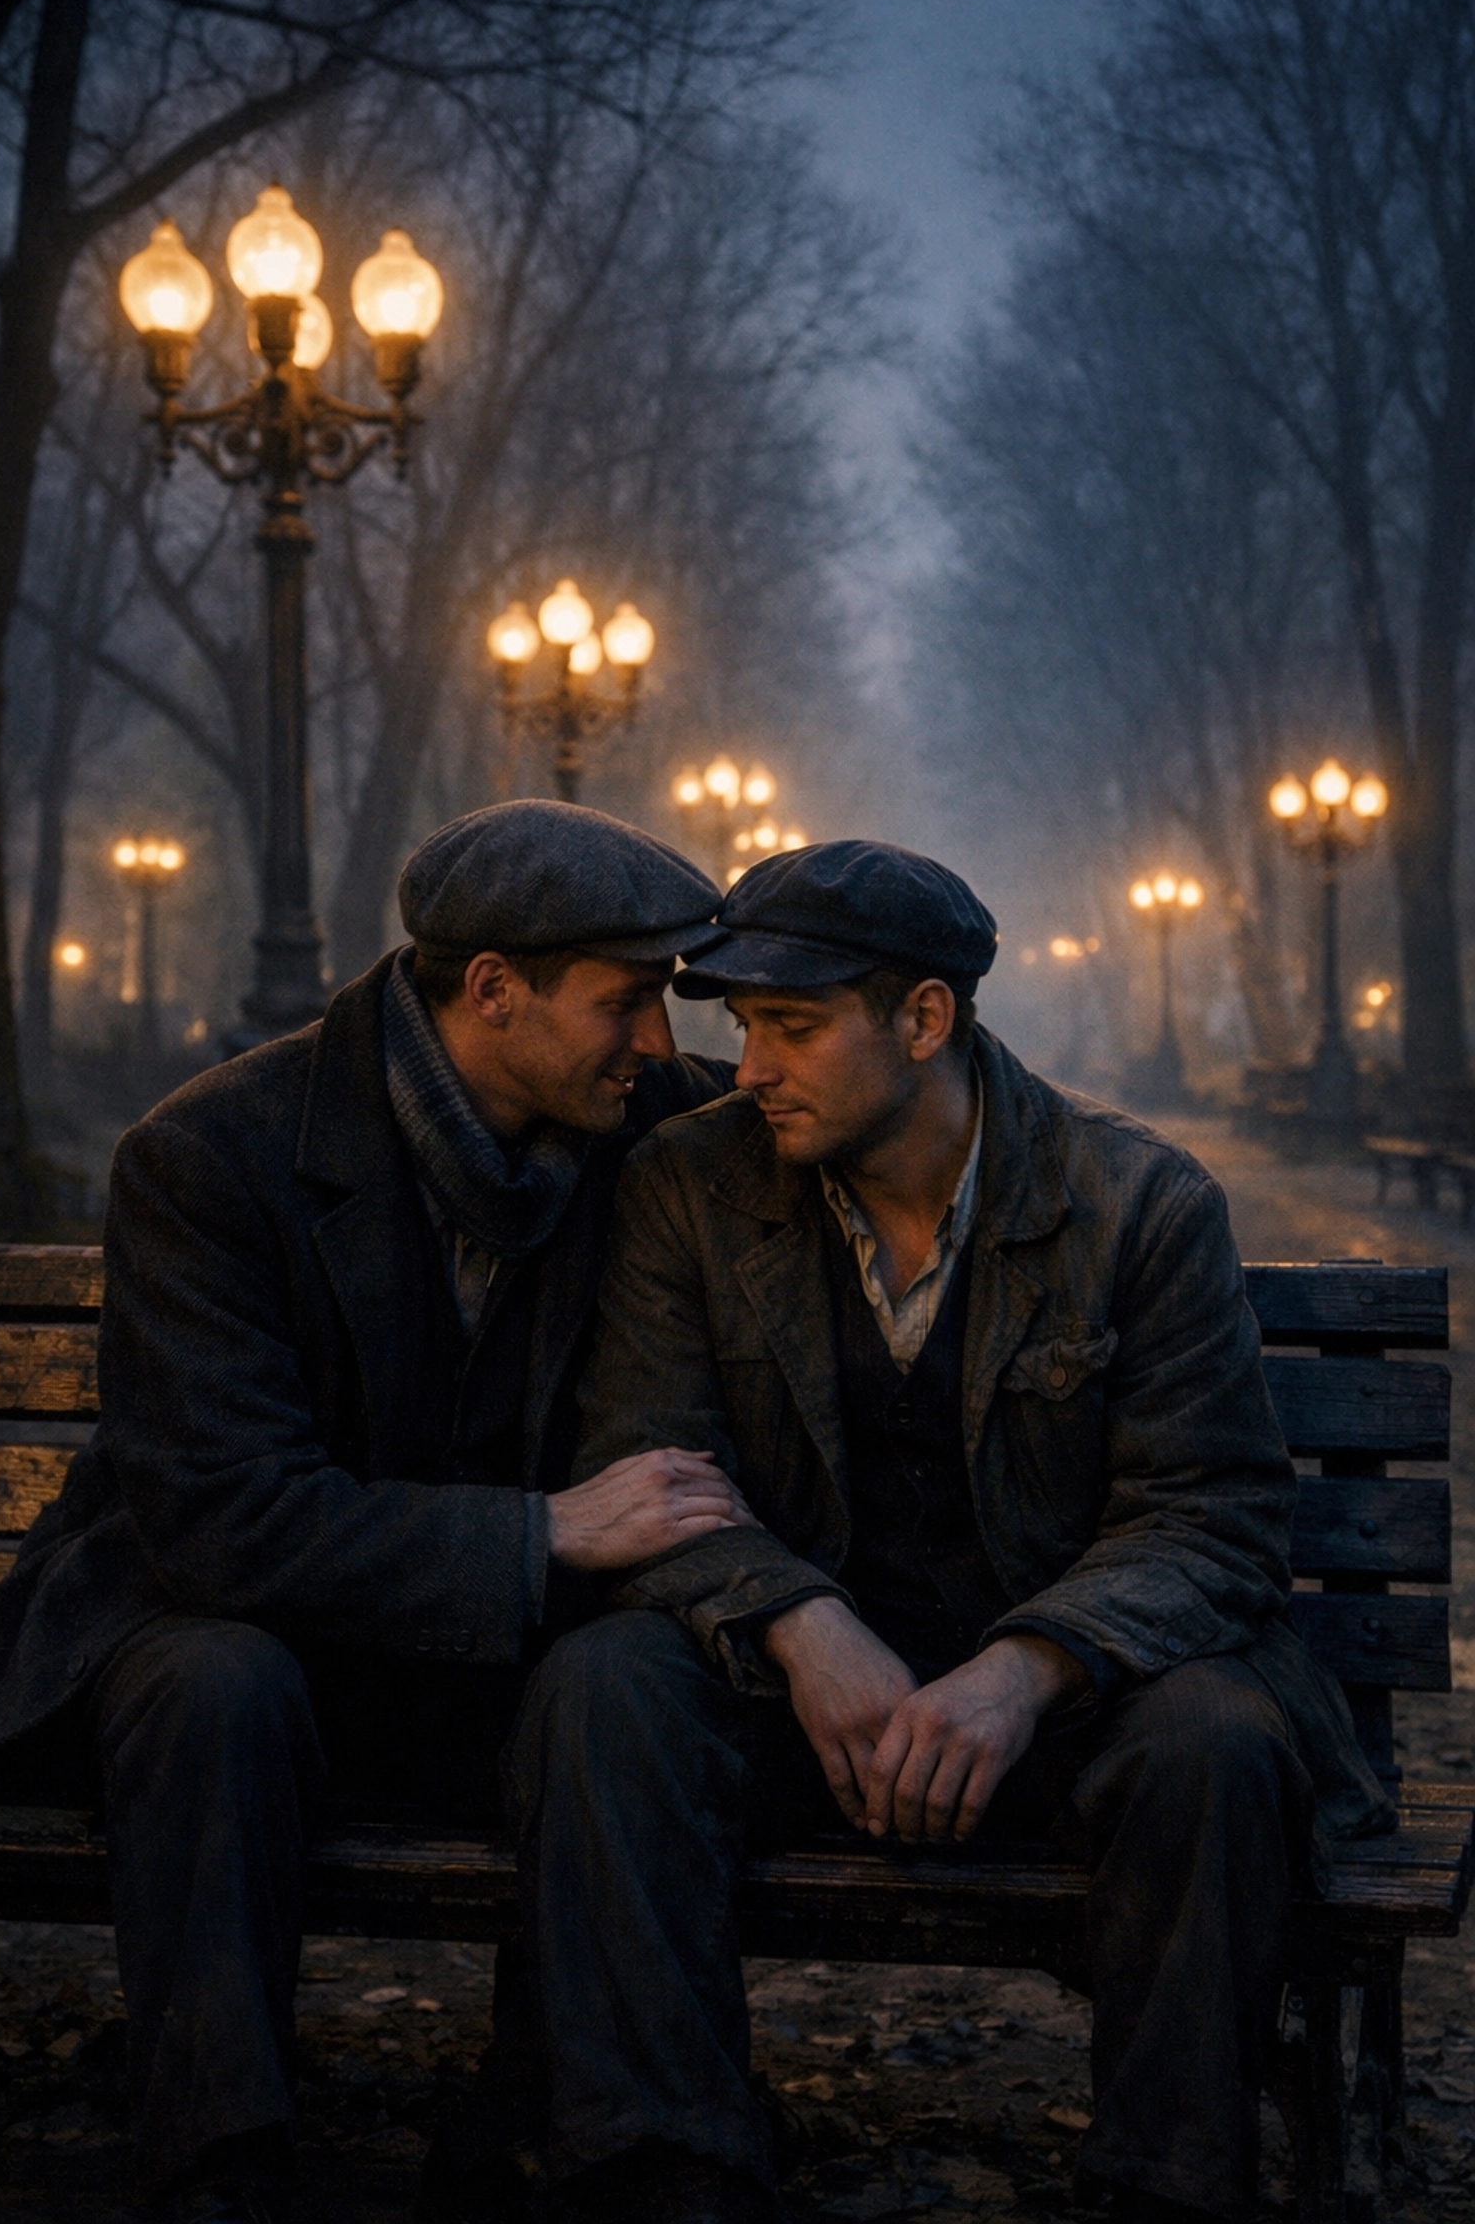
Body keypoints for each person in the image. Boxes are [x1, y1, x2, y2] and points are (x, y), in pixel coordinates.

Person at [508, 839, 1392, 2224]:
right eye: (741, 1030)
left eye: (792, 1030)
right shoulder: (691, 1182)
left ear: (925, 1020)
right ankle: (664, 2170)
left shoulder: (1139, 1204)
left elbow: (1211, 1519)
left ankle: (1164, 2189)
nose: (748, 1072)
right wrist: (801, 1626)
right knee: (603, 1689)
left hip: (1075, 1704)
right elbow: (645, 1466)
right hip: (798, 1701)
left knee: (1218, 1740)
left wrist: (1025, 1670)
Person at [0, 801, 743, 2224]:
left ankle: (600, 2136)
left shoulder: (654, 1132)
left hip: (501, 1668)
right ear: (493, 989)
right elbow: (223, 1519)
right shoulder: (210, 1156)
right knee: (209, 1682)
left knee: (622, 1678)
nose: (660, 1046)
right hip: (237, 1625)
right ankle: (217, 2156)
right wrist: (541, 1533)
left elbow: (859, 1093)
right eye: (626, 1005)